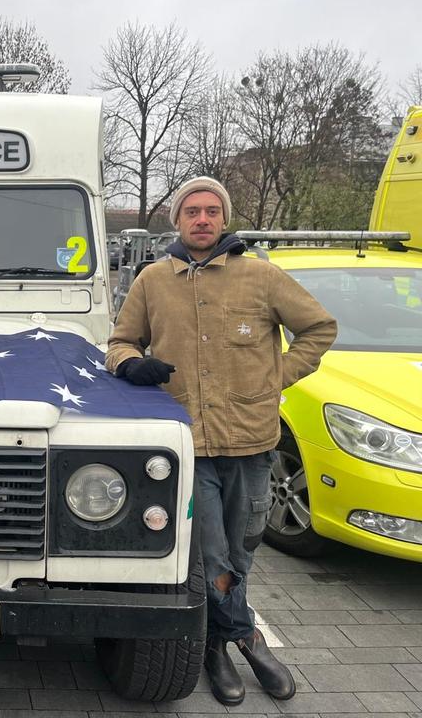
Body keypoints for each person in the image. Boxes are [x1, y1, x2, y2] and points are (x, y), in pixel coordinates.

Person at [106, 176, 336, 706]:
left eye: (211, 211)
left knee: (242, 548)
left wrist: (275, 375)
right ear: (177, 221)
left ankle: (214, 642)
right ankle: (248, 642)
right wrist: (132, 363)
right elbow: (118, 342)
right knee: (211, 555)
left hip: (252, 441)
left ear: (224, 219)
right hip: (186, 442)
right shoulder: (152, 281)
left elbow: (320, 329)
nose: (202, 219)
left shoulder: (262, 277)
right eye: (192, 211)